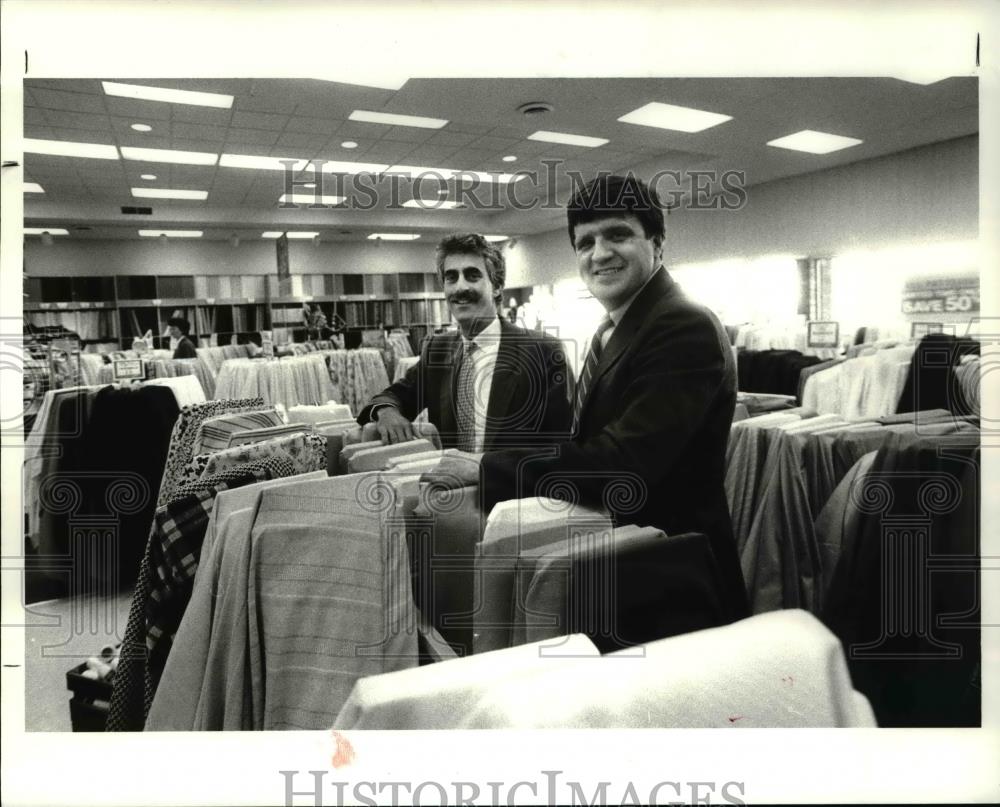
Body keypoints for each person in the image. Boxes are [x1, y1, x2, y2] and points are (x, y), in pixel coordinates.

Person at [426, 175, 749, 618]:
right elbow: (585, 444)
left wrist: (488, 467)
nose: (600, 253)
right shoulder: (618, 327)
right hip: (625, 564)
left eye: (618, 234)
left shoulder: (681, 325)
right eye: (585, 242)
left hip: (671, 578)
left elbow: (623, 462)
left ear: (657, 241)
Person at [357, 233, 571, 451]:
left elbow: (557, 447)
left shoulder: (542, 351)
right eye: (451, 277)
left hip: (512, 484)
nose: (460, 288)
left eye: (472, 275)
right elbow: (392, 396)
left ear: (496, 286)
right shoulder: (437, 350)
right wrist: (387, 411)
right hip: (448, 484)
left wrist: (484, 468)